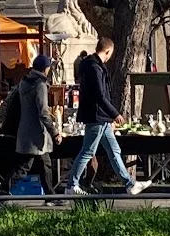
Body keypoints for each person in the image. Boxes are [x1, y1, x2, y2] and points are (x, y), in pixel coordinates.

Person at [65, 37, 151, 196]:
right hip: (97, 116)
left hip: (100, 116)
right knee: (88, 151)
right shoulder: (94, 68)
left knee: (114, 150)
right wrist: (115, 114)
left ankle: (129, 184)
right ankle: (72, 185)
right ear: (108, 51)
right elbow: (100, 95)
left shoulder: (91, 66)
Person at [7, 55, 62, 203]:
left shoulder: (24, 81)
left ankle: (50, 196)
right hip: (36, 133)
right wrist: (55, 131)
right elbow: (43, 112)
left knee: (45, 164)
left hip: (25, 130)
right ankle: (2, 190)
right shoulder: (40, 85)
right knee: (24, 166)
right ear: (45, 68)